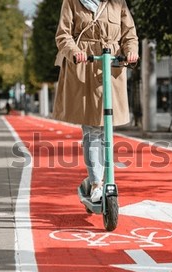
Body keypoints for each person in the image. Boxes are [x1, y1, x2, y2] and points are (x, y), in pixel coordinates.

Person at [52, 0, 139, 203]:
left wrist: (131, 51)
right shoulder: (72, 2)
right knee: (92, 128)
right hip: (85, 67)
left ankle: (104, 178)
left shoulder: (118, 3)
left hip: (111, 66)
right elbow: (63, 35)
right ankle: (96, 183)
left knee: (106, 127)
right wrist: (75, 52)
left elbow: (130, 34)